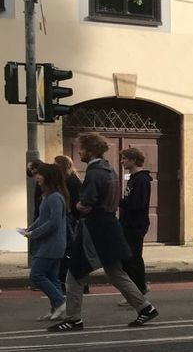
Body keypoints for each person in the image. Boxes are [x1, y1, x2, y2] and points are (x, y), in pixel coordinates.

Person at [49, 133, 158, 332]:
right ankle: (145, 307)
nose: (79, 152)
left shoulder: (94, 172)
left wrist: (81, 205)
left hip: (93, 228)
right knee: (116, 272)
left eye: (81, 148)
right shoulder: (109, 169)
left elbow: (87, 201)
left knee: (75, 273)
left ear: (89, 150)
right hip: (110, 227)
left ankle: (73, 318)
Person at [22, 163, 69, 321]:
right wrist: (29, 229)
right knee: (51, 276)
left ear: (48, 177)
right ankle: (56, 308)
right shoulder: (48, 196)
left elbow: (53, 222)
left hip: (52, 244)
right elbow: (42, 219)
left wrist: (34, 233)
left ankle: (60, 302)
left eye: (39, 174)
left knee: (37, 275)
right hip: (48, 243)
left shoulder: (55, 197)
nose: (36, 177)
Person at [117, 147, 153, 296]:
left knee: (133, 258)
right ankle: (138, 288)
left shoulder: (141, 180)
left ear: (133, 160)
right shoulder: (133, 179)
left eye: (124, 158)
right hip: (127, 223)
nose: (122, 161)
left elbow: (138, 204)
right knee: (128, 258)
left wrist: (119, 201)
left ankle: (139, 289)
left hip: (135, 224)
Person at [54, 155, 83, 290]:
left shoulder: (71, 181)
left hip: (71, 219)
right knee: (69, 252)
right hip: (71, 218)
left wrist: (74, 216)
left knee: (69, 252)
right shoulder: (69, 179)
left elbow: (75, 200)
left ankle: (72, 284)